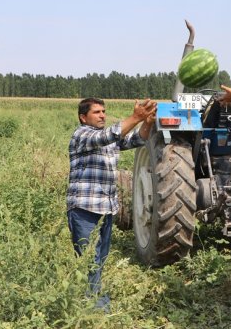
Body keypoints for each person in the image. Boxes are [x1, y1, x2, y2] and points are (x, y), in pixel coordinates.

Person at [66, 97, 157, 310]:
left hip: (106, 208)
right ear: (83, 117)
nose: (102, 115)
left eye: (103, 111)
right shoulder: (82, 135)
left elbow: (136, 140)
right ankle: (90, 307)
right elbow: (109, 135)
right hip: (85, 208)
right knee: (89, 259)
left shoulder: (106, 140)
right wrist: (135, 116)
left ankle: (94, 300)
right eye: (96, 112)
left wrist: (148, 122)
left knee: (100, 258)